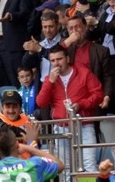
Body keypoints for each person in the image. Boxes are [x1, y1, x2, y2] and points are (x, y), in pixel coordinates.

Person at [36, 44, 104, 173]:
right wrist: (50, 82)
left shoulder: (84, 72)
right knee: (66, 168)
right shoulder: (49, 79)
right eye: (53, 60)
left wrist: (81, 104)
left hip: (84, 124)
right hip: (61, 127)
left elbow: (98, 94)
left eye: (59, 59)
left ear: (67, 59)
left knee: (89, 165)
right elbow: (41, 102)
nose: (56, 63)